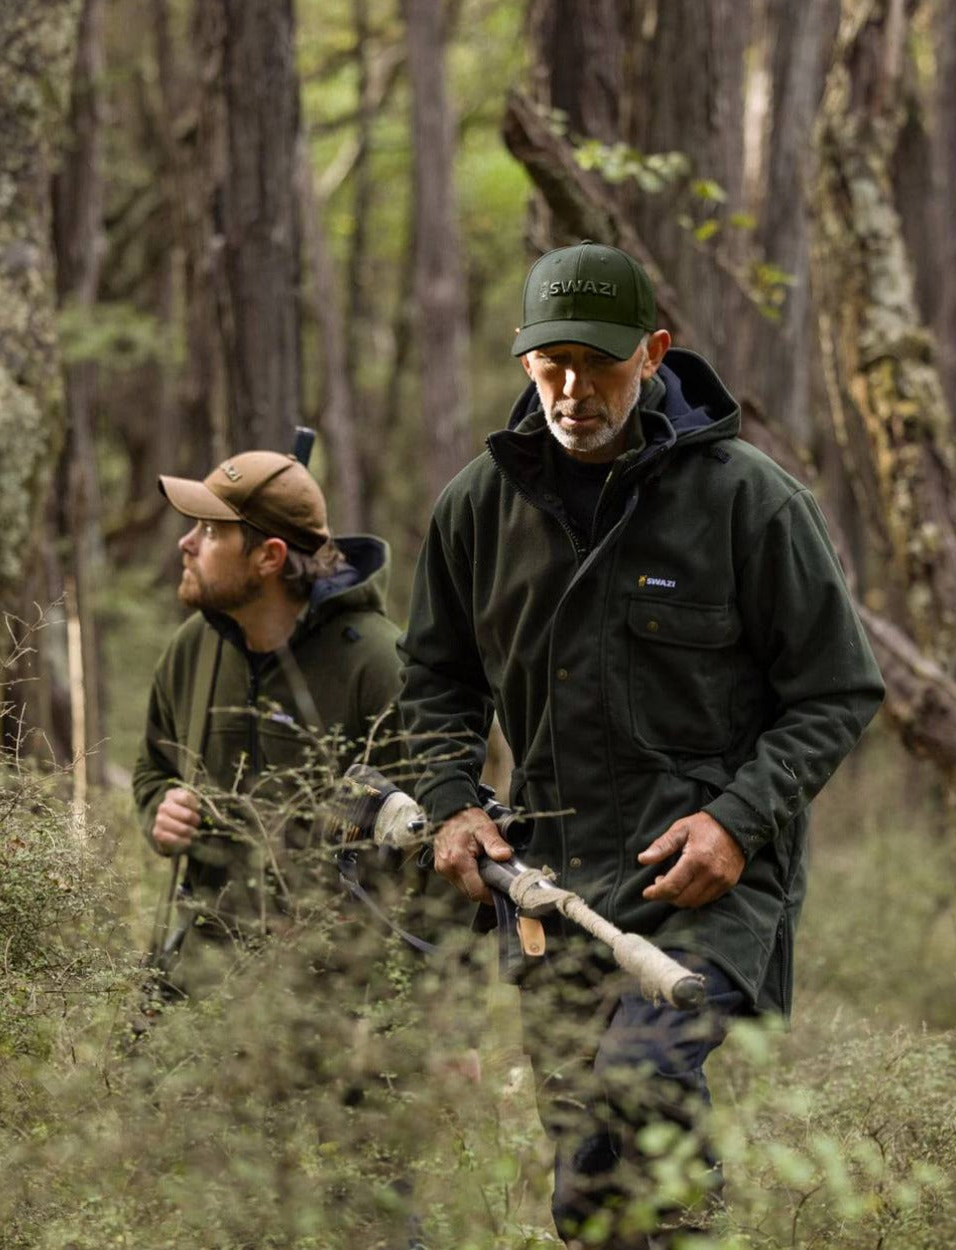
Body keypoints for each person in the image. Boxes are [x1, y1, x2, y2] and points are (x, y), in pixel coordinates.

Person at [397, 241, 885, 1248]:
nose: (573, 390)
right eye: (549, 364)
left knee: (634, 1089)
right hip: (551, 888)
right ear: (523, 360)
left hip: (704, 888)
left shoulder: (750, 501)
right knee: (592, 1181)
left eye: (600, 362)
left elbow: (837, 689)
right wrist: (450, 797)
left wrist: (737, 822)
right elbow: (436, 680)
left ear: (654, 350)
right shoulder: (474, 508)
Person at [132, 449, 404, 1000]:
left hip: (341, 1006)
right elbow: (152, 768)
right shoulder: (194, 649)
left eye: (210, 532)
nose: (186, 544)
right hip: (203, 988)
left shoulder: (378, 664)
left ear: (269, 557)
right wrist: (160, 807)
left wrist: (445, 1028)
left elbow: (432, 855)